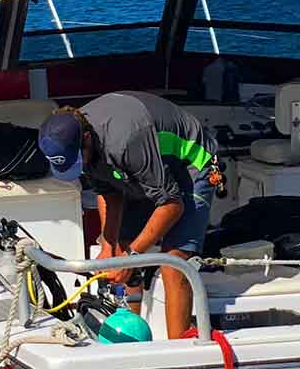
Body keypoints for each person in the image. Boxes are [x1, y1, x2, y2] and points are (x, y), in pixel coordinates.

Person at [37, 93, 221, 341]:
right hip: (147, 168)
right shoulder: (79, 140)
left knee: (173, 262)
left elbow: (171, 203)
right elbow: (108, 192)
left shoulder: (126, 142)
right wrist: (108, 246)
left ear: (87, 139)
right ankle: (132, 343)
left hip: (192, 164)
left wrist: (132, 256)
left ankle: (178, 350)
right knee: (120, 253)